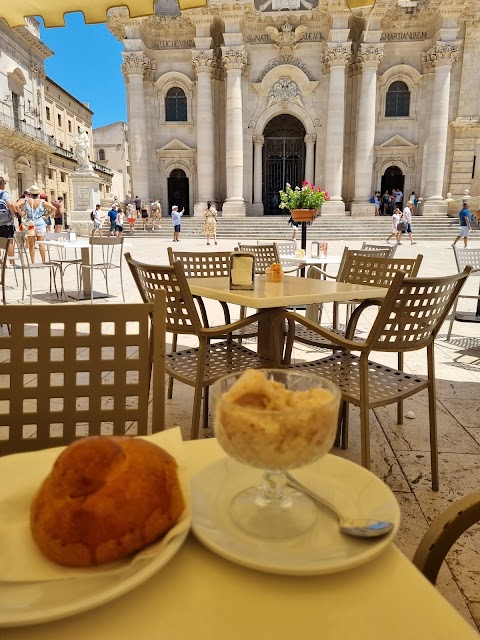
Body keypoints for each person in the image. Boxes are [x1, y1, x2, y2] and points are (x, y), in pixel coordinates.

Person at [16, 183, 57, 264]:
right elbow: (54, 208)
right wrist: (46, 216)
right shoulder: (42, 202)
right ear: (38, 194)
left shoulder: (26, 201)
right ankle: (43, 261)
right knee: (41, 244)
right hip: (40, 224)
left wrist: (21, 214)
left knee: (31, 244)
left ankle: (33, 262)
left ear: (30, 194)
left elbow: (16, 205)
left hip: (31, 224)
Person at [0, 176, 19, 267]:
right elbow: (10, 204)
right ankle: (11, 263)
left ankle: (0, 263)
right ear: (2, 184)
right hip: (6, 222)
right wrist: (13, 214)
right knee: (9, 241)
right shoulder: (4, 193)